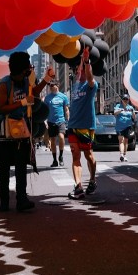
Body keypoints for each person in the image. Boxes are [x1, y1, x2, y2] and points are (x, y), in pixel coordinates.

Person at [0, 52, 55, 212]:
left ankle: (22, 199)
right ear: (21, 69)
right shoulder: (4, 84)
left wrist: (46, 79)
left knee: (21, 165)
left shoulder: (25, 81)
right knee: (4, 167)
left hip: (21, 129)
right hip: (5, 131)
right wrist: (21, 102)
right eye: (27, 66)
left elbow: (33, 93)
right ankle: (4, 201)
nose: (30, 68)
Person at [66, 47, 98, 199]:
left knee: (89, 156)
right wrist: (81, 61)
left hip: (86, 127)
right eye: (79, 69)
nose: (80, 70)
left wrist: (86, 61)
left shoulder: (91, 85)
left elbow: (90, 77)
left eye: (83, 68)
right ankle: (78, 186)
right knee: (75, 156)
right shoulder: (75, 86)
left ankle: (92, 180)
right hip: (72, 126)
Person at [44, 80, 69, 167]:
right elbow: (45, 110)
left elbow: (66, 109)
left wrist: (68, 119)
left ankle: (61, 156)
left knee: (61, 137)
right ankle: (55, 160)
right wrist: (45, 121)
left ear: (57, 86)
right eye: (49, 86)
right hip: (51, 122)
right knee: (53, 140)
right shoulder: (47, 98)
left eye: (52, 85)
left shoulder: (63, 97)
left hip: (61, 121)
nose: (50, 87)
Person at [113, 93, 136, 162]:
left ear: (128, 100)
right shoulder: (118, 106)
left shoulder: (130, 107)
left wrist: (133, 112)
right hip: (119, 127)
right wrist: (121, 110)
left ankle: (125, 155)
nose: (125, 100)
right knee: (121, 140)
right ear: (122, 100)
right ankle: (121, 155)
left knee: (126, 141)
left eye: (127, 99)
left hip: (128, 126)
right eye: (124, 99)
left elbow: (134, 117)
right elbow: (115, 113)